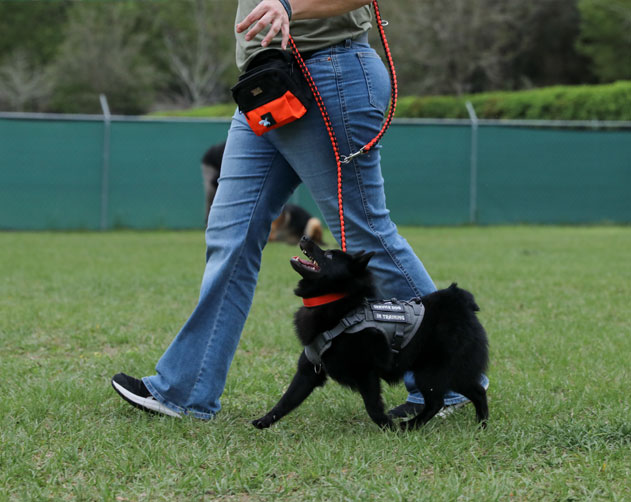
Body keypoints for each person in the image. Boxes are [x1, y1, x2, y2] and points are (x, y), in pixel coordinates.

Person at [111, 0, 487, 420]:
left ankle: (448, 379)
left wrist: (290, 7)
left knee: (363, 234)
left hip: (332, 75)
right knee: (230, 236)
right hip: (267, 83)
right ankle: (184, 390)